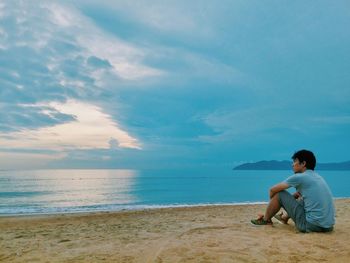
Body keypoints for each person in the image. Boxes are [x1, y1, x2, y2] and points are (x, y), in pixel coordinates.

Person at [251, 149, 335, 233]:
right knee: (300, 196)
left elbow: (272, 190)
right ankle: (284, 218)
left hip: (310, 226)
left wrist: (274, 203)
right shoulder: (318, 177)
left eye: (295, 161)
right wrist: (289, 200)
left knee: (279, 193)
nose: (292, 165)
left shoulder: (300, 177)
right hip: (328, 227)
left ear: (303, 164)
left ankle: (266, 220)